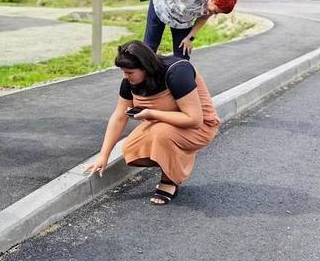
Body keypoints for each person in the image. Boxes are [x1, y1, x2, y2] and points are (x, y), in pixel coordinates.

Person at [84, 40, 220, 205]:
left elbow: (194, 119)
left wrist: (151, 113)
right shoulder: (130, 82)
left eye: (129, 72)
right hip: (164, 125)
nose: (125, 76)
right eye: (123, 71)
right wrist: (103, 156)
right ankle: (178, 153)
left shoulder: (177, 72)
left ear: (145, 68)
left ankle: (169, 180)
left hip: (201, 127)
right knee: (131, 150)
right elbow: (119, 116)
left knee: (160, 135)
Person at [145, 0, 237, 58]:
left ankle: (178, 74)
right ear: (213, 0)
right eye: (216, 11)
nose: (213, 14)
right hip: (162, 6)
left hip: (183, 19)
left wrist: (189, 38)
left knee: (183, 53)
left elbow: (203, 18)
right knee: (150, 48)